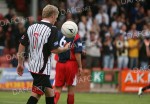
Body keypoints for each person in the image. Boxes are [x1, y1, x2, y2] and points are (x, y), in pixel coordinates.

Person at [16, 5, 71, 104]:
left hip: (33, 67)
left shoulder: (31, 27)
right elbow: (54, 50)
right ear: (53, 16)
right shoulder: (52, 29)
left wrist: (20, 63)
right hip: (42, 69)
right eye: (56, 18)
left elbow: (21, 44)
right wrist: (65, 48)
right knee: (36, 94)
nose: (56, 20)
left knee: (50, 92)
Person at [54, 31, 83, 104]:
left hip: (60, 63)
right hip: (71, 64)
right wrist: (80, 66)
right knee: (71, 90)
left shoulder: (58, 34)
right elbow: (77, 53)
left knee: (57, 89)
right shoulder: (76, 36)